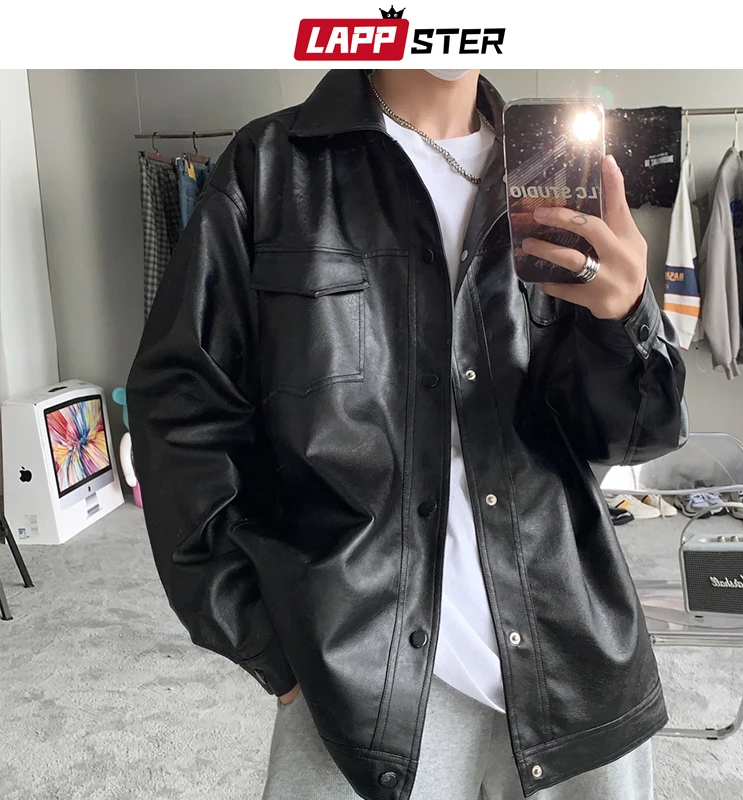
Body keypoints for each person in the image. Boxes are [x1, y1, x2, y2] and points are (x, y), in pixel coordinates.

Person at [127, 69, 687, 800]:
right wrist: (264, 642)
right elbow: (180, 412)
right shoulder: (271, 169)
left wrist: (624, 318)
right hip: (353, 678)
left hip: (573, 660)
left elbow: (628, 437)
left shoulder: (552, 170)